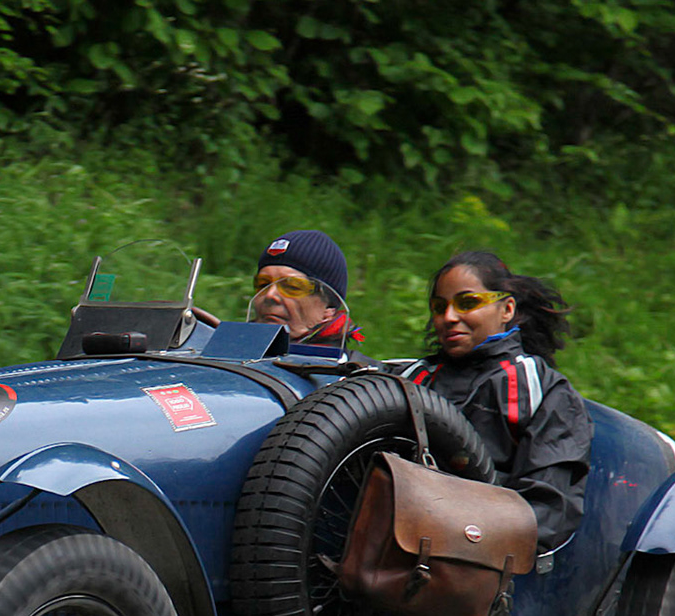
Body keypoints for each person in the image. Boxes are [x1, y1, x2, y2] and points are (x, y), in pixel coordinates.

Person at [402, 250, 592, 551]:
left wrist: (462, 538)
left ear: (507, 309)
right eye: (439, 307)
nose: (449, 317)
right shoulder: (412, 378)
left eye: (467, 303)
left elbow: (547, 511)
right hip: (390, 543)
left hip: (478, 558)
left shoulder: (542, 391)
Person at [194, 229, 371, 355]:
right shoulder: (226, 348)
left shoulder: (347, 375)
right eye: (263, 285)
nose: (270, 295)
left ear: (328, 309)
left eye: (292, 287)